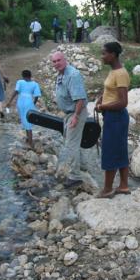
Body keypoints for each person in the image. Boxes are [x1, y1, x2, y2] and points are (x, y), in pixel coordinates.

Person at [95, 42, 130, 198]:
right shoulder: (114, 71)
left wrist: (104, 107)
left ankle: (107, 189)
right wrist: (101, 98)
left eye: (104, 54)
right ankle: (123, 186)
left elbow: (123, 102)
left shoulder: (121, 74)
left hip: (116, 117)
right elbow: (111, 91)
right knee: (121, 150)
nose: (102, 57)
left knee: (110, 152)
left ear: (113, 55)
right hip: (114, 117)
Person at [51, 51, 88, 188]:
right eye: (54, 62)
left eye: (59, 60)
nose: (56, 63)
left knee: (71, 144)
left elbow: (80, 99)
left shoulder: (73, 75)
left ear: (65, 60)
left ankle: (75, 177)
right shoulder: (61, 74)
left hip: (76, 112)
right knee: (72, 141)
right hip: (69, 113)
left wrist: (75, 117)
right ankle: (82, 166)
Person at [5, 70, 41, 148]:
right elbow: (37, 96)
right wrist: (33, 104)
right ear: (30, 75)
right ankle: (29, 139)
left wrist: (9, 102)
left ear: (23, 76)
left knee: (24, 120)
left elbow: (16, 92)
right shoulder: (35, 84)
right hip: (29, 102)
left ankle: (30, 143)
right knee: (28, 121)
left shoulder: (20, 82)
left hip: (21, 102)